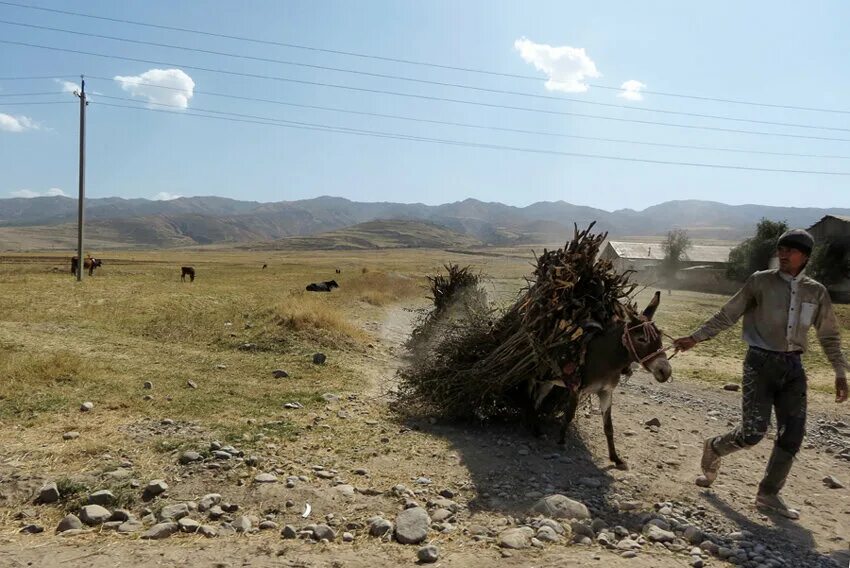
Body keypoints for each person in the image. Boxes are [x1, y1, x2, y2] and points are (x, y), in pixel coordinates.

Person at [674, 229, 849, 519]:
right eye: (780, 249)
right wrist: (696, 337)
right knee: (754, 432)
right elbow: (728, 314)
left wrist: (840, 372)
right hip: (760, 363)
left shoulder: (816, 292)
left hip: (793, 367)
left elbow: (829, 336)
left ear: (804, 256)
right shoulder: (760, 282)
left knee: (793, 435)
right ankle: (716, 446)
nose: (783, 255)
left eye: (790, 251)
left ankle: (768, 494)